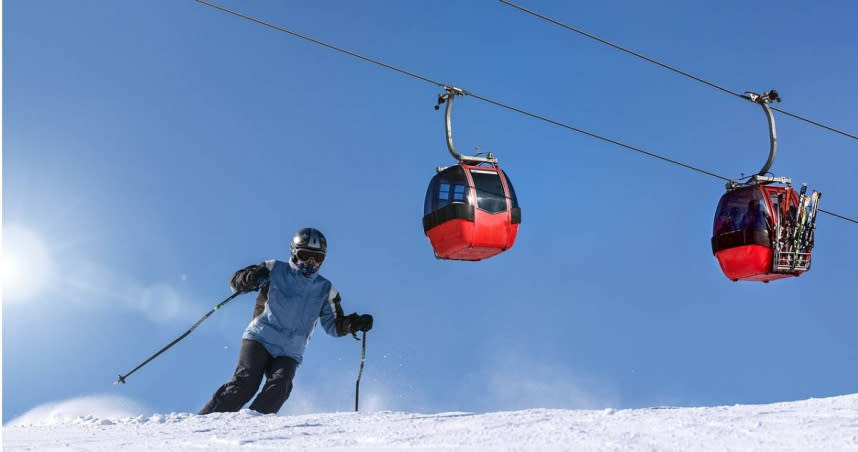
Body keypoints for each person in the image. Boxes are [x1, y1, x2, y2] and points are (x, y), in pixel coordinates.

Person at [199, 227, 373, 415]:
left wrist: (354, 324)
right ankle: (205, 422)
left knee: (280, 387)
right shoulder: (274, 268)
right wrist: (252, 278)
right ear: (294, 253)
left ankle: (252, 426)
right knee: (245, 384)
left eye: (317, 257)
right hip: (260, 338)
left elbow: (334, 326)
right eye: (305, 255)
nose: (311, 262)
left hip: (290, 350)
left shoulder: (325, 289)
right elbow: (236, 282)